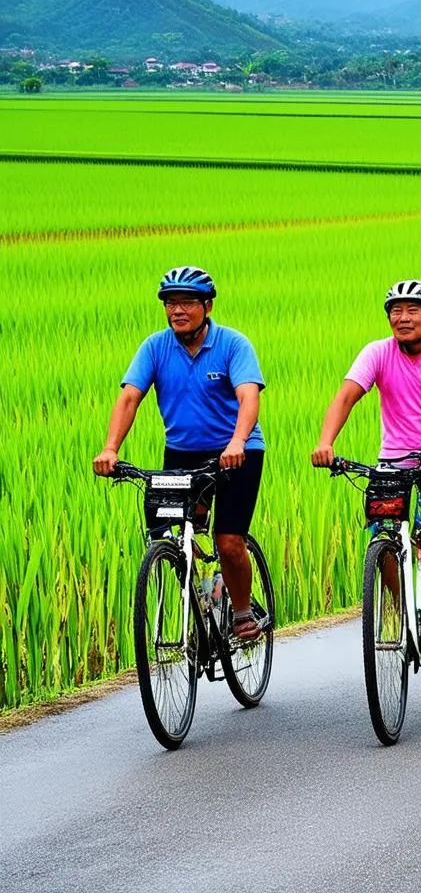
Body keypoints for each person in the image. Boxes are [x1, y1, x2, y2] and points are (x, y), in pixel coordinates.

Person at [312, 280, 421, 721]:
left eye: (412, 310)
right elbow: (346, 396)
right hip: (395, 462)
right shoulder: (377, 353)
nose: (402, 318)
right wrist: (326, 441)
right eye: (395, 310)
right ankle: (407, 609)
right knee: (380, 542)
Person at [93, 266, 267, 641]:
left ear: (207, 305)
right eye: (171, 303)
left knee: (228, 540)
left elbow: (248, 395)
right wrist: (110, 448)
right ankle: (202, 591)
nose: (178, 310)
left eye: (187, 302)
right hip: (183, 454)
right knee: (171, 532)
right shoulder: (155, 347)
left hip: (237, 453)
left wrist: (237, 441)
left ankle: (240, 611)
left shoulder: (233, 344)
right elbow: (129, 397)